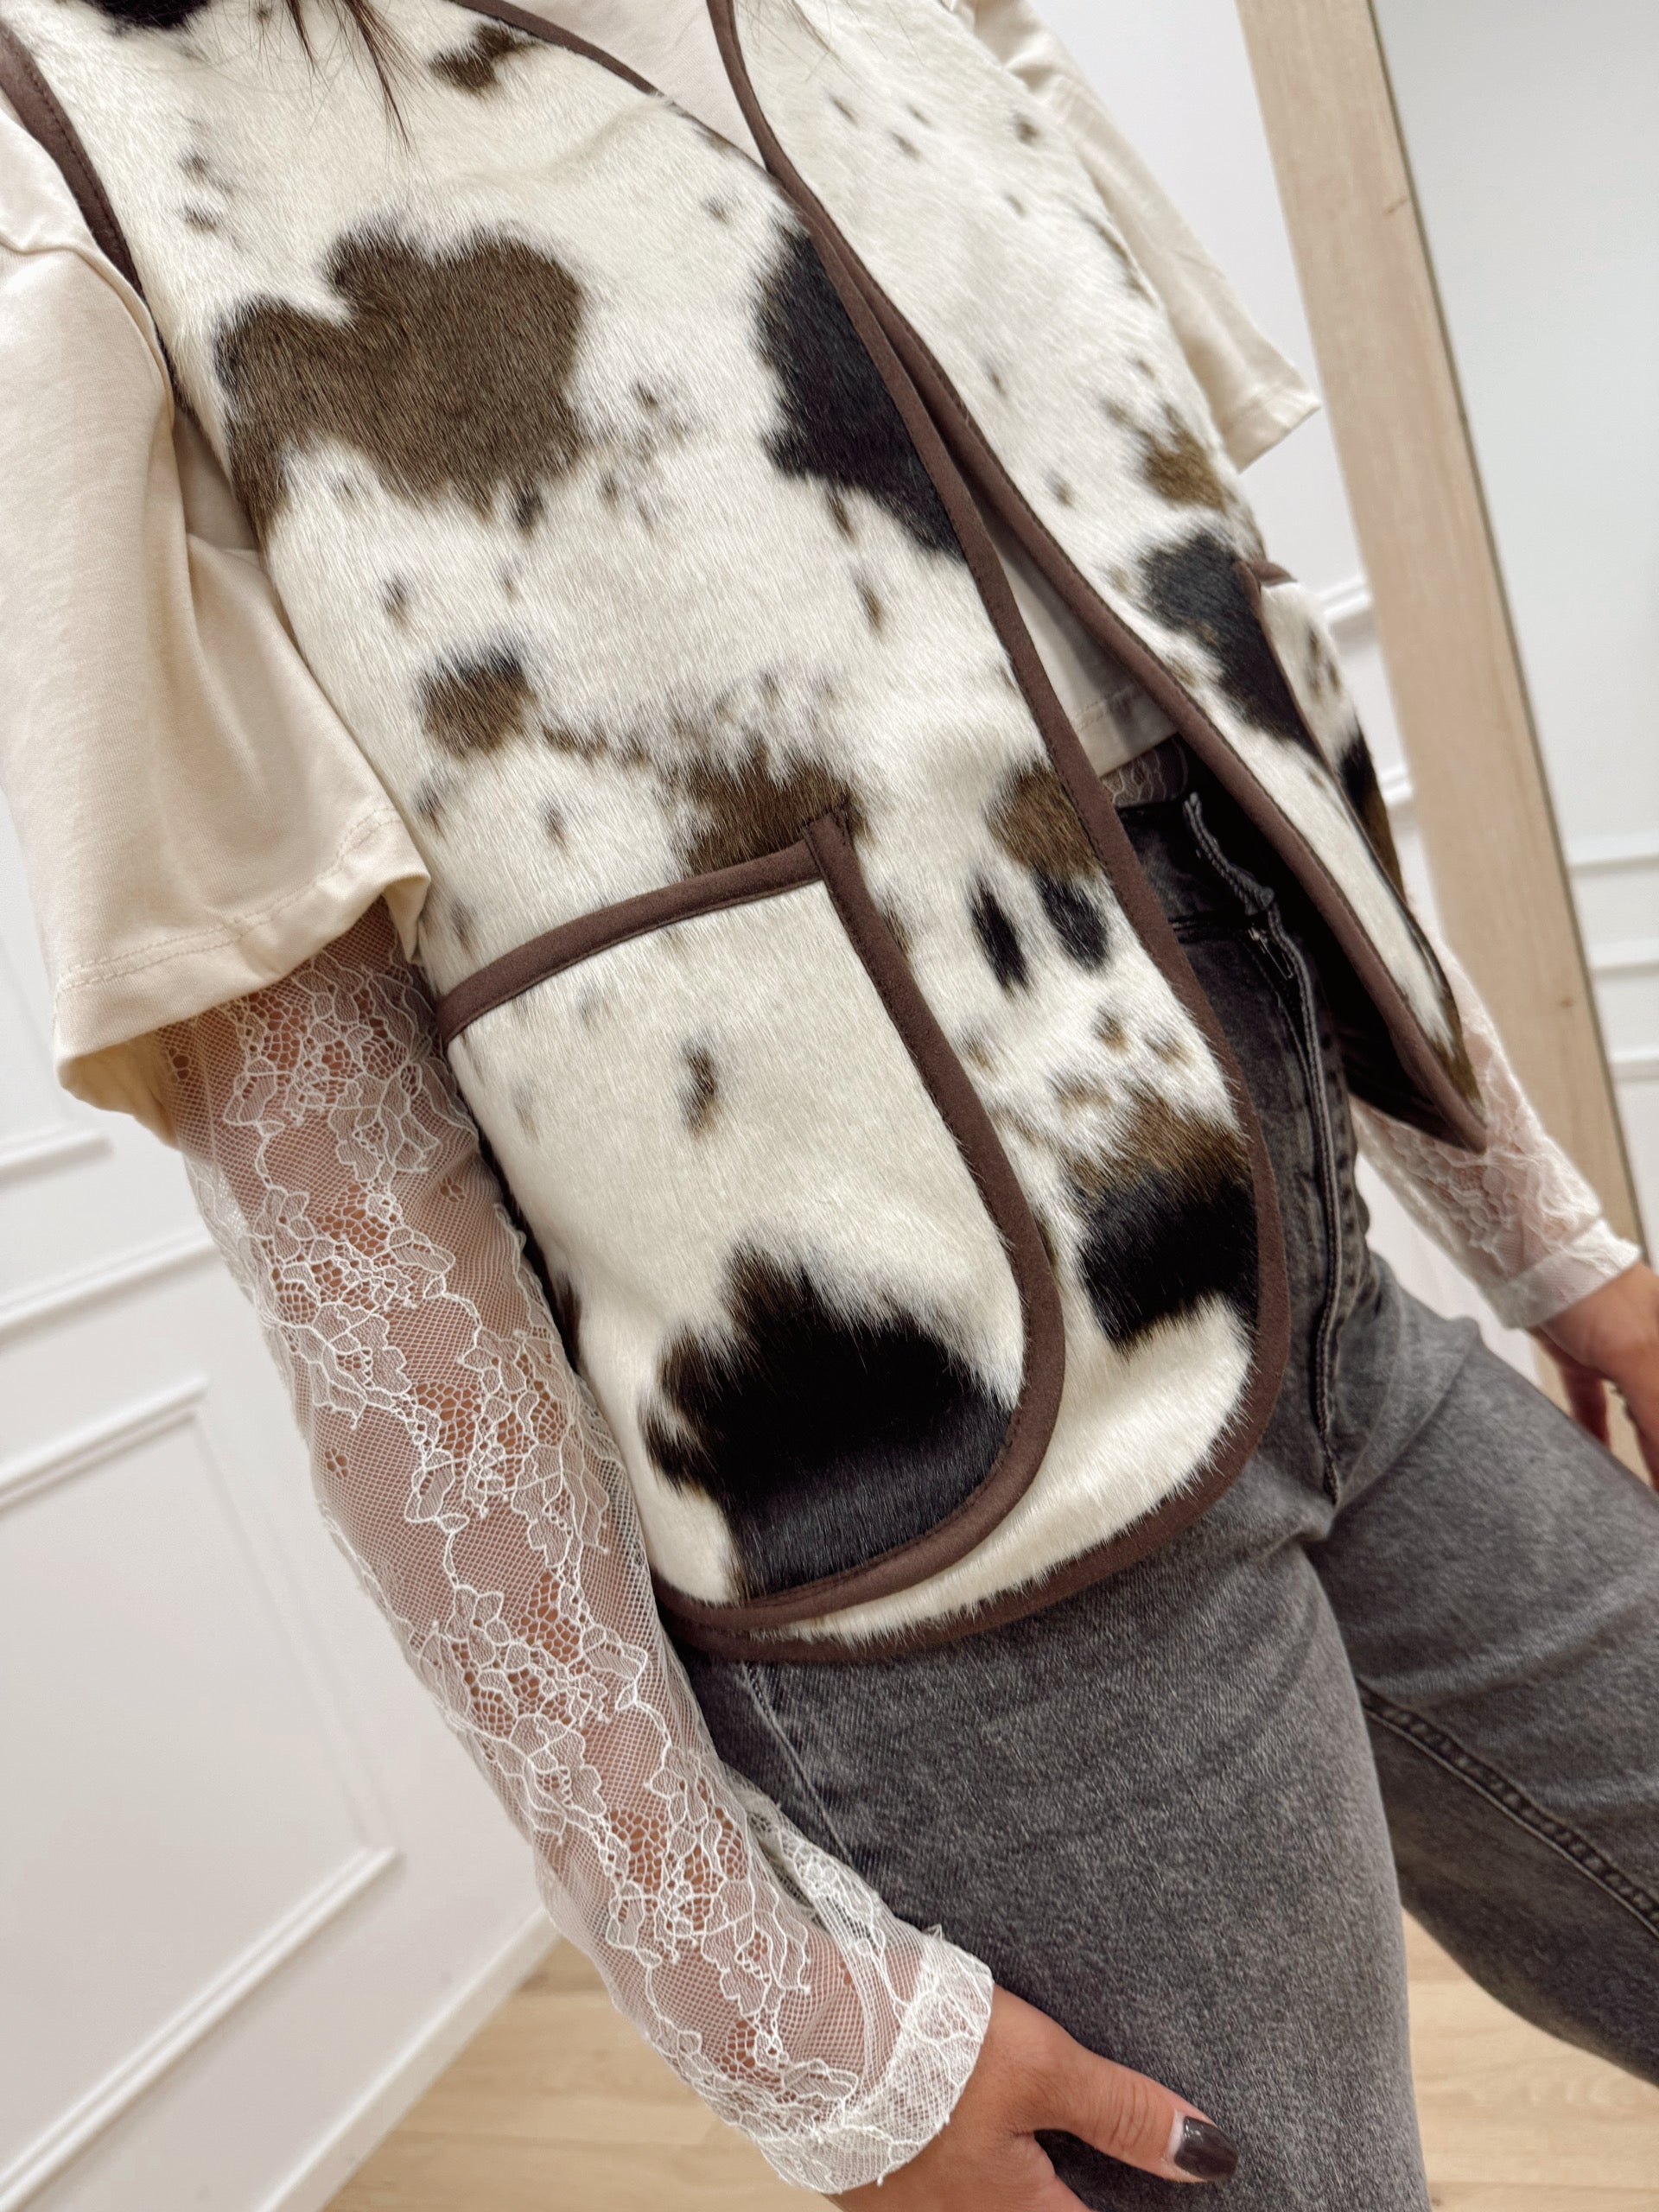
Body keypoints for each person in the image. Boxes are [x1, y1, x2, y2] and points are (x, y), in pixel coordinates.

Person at [2, 0, 1656, 2203]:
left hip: (1339, 1306)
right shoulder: (90, 142)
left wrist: (1550, 1235)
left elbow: (1223, 672)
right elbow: (349, 1227)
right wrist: (776, 2015)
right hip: (944, 1529)